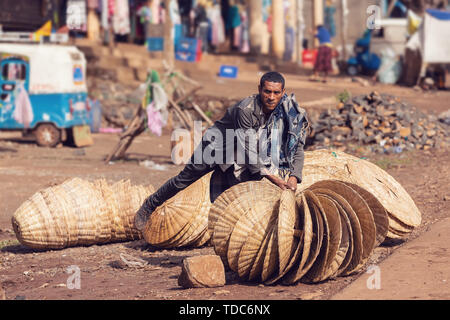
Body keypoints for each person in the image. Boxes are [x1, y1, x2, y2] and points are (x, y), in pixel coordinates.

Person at [134, 71, 309, 231]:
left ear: (283, 92)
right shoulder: (245, 109)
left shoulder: (289, 113)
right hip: (217, 146)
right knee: (184, 179)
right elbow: (247, 149)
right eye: (267, 92)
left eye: (276, 93)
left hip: (245, 152)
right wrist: (275, 179)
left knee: (243, 191)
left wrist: (293, 177)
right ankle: (149, 205)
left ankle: (229, 233)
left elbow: (297, 147)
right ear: (259, 90)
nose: (271, 97)